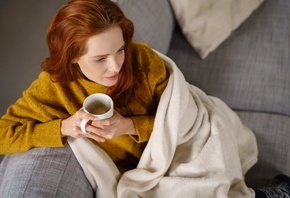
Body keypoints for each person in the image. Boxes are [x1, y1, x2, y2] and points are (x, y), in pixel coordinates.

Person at [0, 0, 289, 197]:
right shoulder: (54, 87)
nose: (115, 67)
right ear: (73, 57)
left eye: (120, 50)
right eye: (100, 58)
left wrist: (126, 127)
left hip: (184, 144)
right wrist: (64, 127)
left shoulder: (143, 62)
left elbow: (181, 120)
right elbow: (4, 134)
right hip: (141, 167)